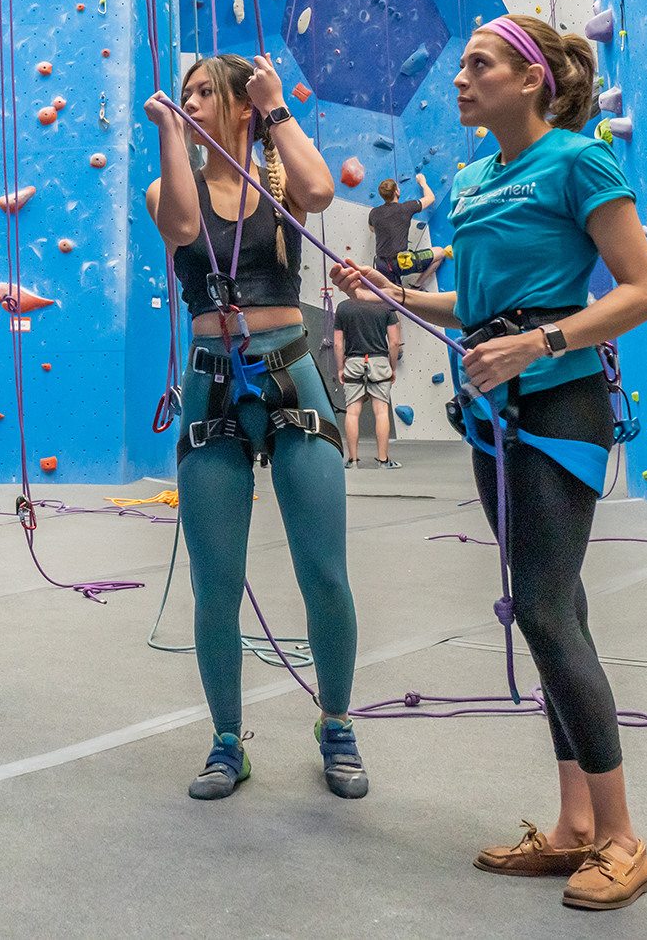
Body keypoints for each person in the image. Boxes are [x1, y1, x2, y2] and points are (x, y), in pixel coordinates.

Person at [342, 14, 647, 911]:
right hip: (492, 411)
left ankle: (624, 836)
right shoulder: (473, 176)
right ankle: (572, 828)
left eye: (479, 64)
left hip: (559, 404)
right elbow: (476, 302)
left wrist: (539, 342)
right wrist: (394, 292)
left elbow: (643, 291)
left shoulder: (580, 160)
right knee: (552, 608)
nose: (460, 78)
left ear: (530, 80)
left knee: (544, 610)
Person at [142, 54, 365, 803]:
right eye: (187, 92)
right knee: (216, 584)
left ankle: (336, 721)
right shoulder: (171, 187)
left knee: (324, 573)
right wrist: (175, 133)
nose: (193, 99)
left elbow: (323, 188)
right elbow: (178, 222)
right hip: (211, 383)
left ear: (240, 103)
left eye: (206, 91)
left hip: (291, 371)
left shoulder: (279, 186)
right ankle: (227, 739)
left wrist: (276, 107)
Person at [330, 284, 400, 468]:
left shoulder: (344, 307)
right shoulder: (385, 305)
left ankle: (352, 460)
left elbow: (338, 344)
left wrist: (339, 368)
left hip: (353, 362)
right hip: (379, 362)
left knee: (352, 413)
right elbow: (394, 342)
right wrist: (392, 368)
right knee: (381, 412)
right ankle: (383, 461)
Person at [367, 173, 435, 282]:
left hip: (381, 265)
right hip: (402, 262)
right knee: (440, 252)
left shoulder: (374, 213)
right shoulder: (406, 208)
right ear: (396, 192)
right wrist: (423, 182)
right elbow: (430, 198)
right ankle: (418, 285)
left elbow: (372, 229)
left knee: (392, 293)